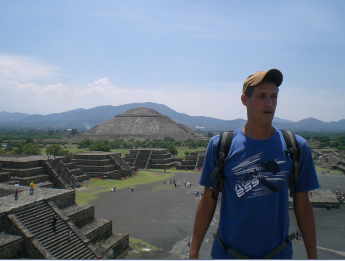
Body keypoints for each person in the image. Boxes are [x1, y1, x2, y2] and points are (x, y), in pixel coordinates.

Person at [190, 69, 319, 259]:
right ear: (244, 100)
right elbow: (208, 201)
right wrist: (193, 252)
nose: (269, 103)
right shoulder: (220, 146)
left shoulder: (296, 147)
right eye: (261, 96)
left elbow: (303, 206)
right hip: (228, 254)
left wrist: (313, 257)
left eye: (274, 96)